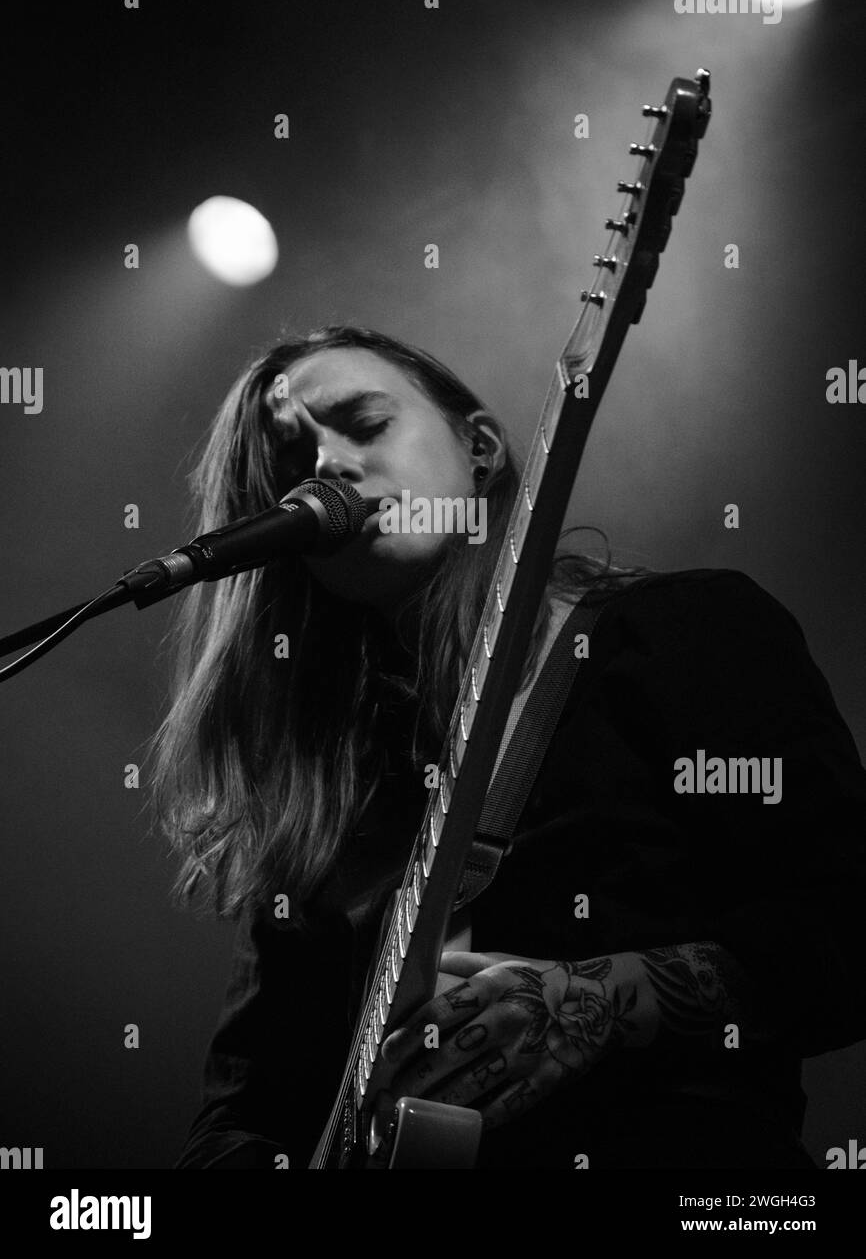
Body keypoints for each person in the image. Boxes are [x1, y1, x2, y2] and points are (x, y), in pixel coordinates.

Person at [150, 323, 866, 1170]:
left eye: (366, 424)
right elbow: (239, 1120)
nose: (327, 468)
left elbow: (846, 929)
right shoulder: (326, 787)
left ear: (480, 449)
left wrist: (594, 998)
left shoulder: (686, 633)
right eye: (289, 463)